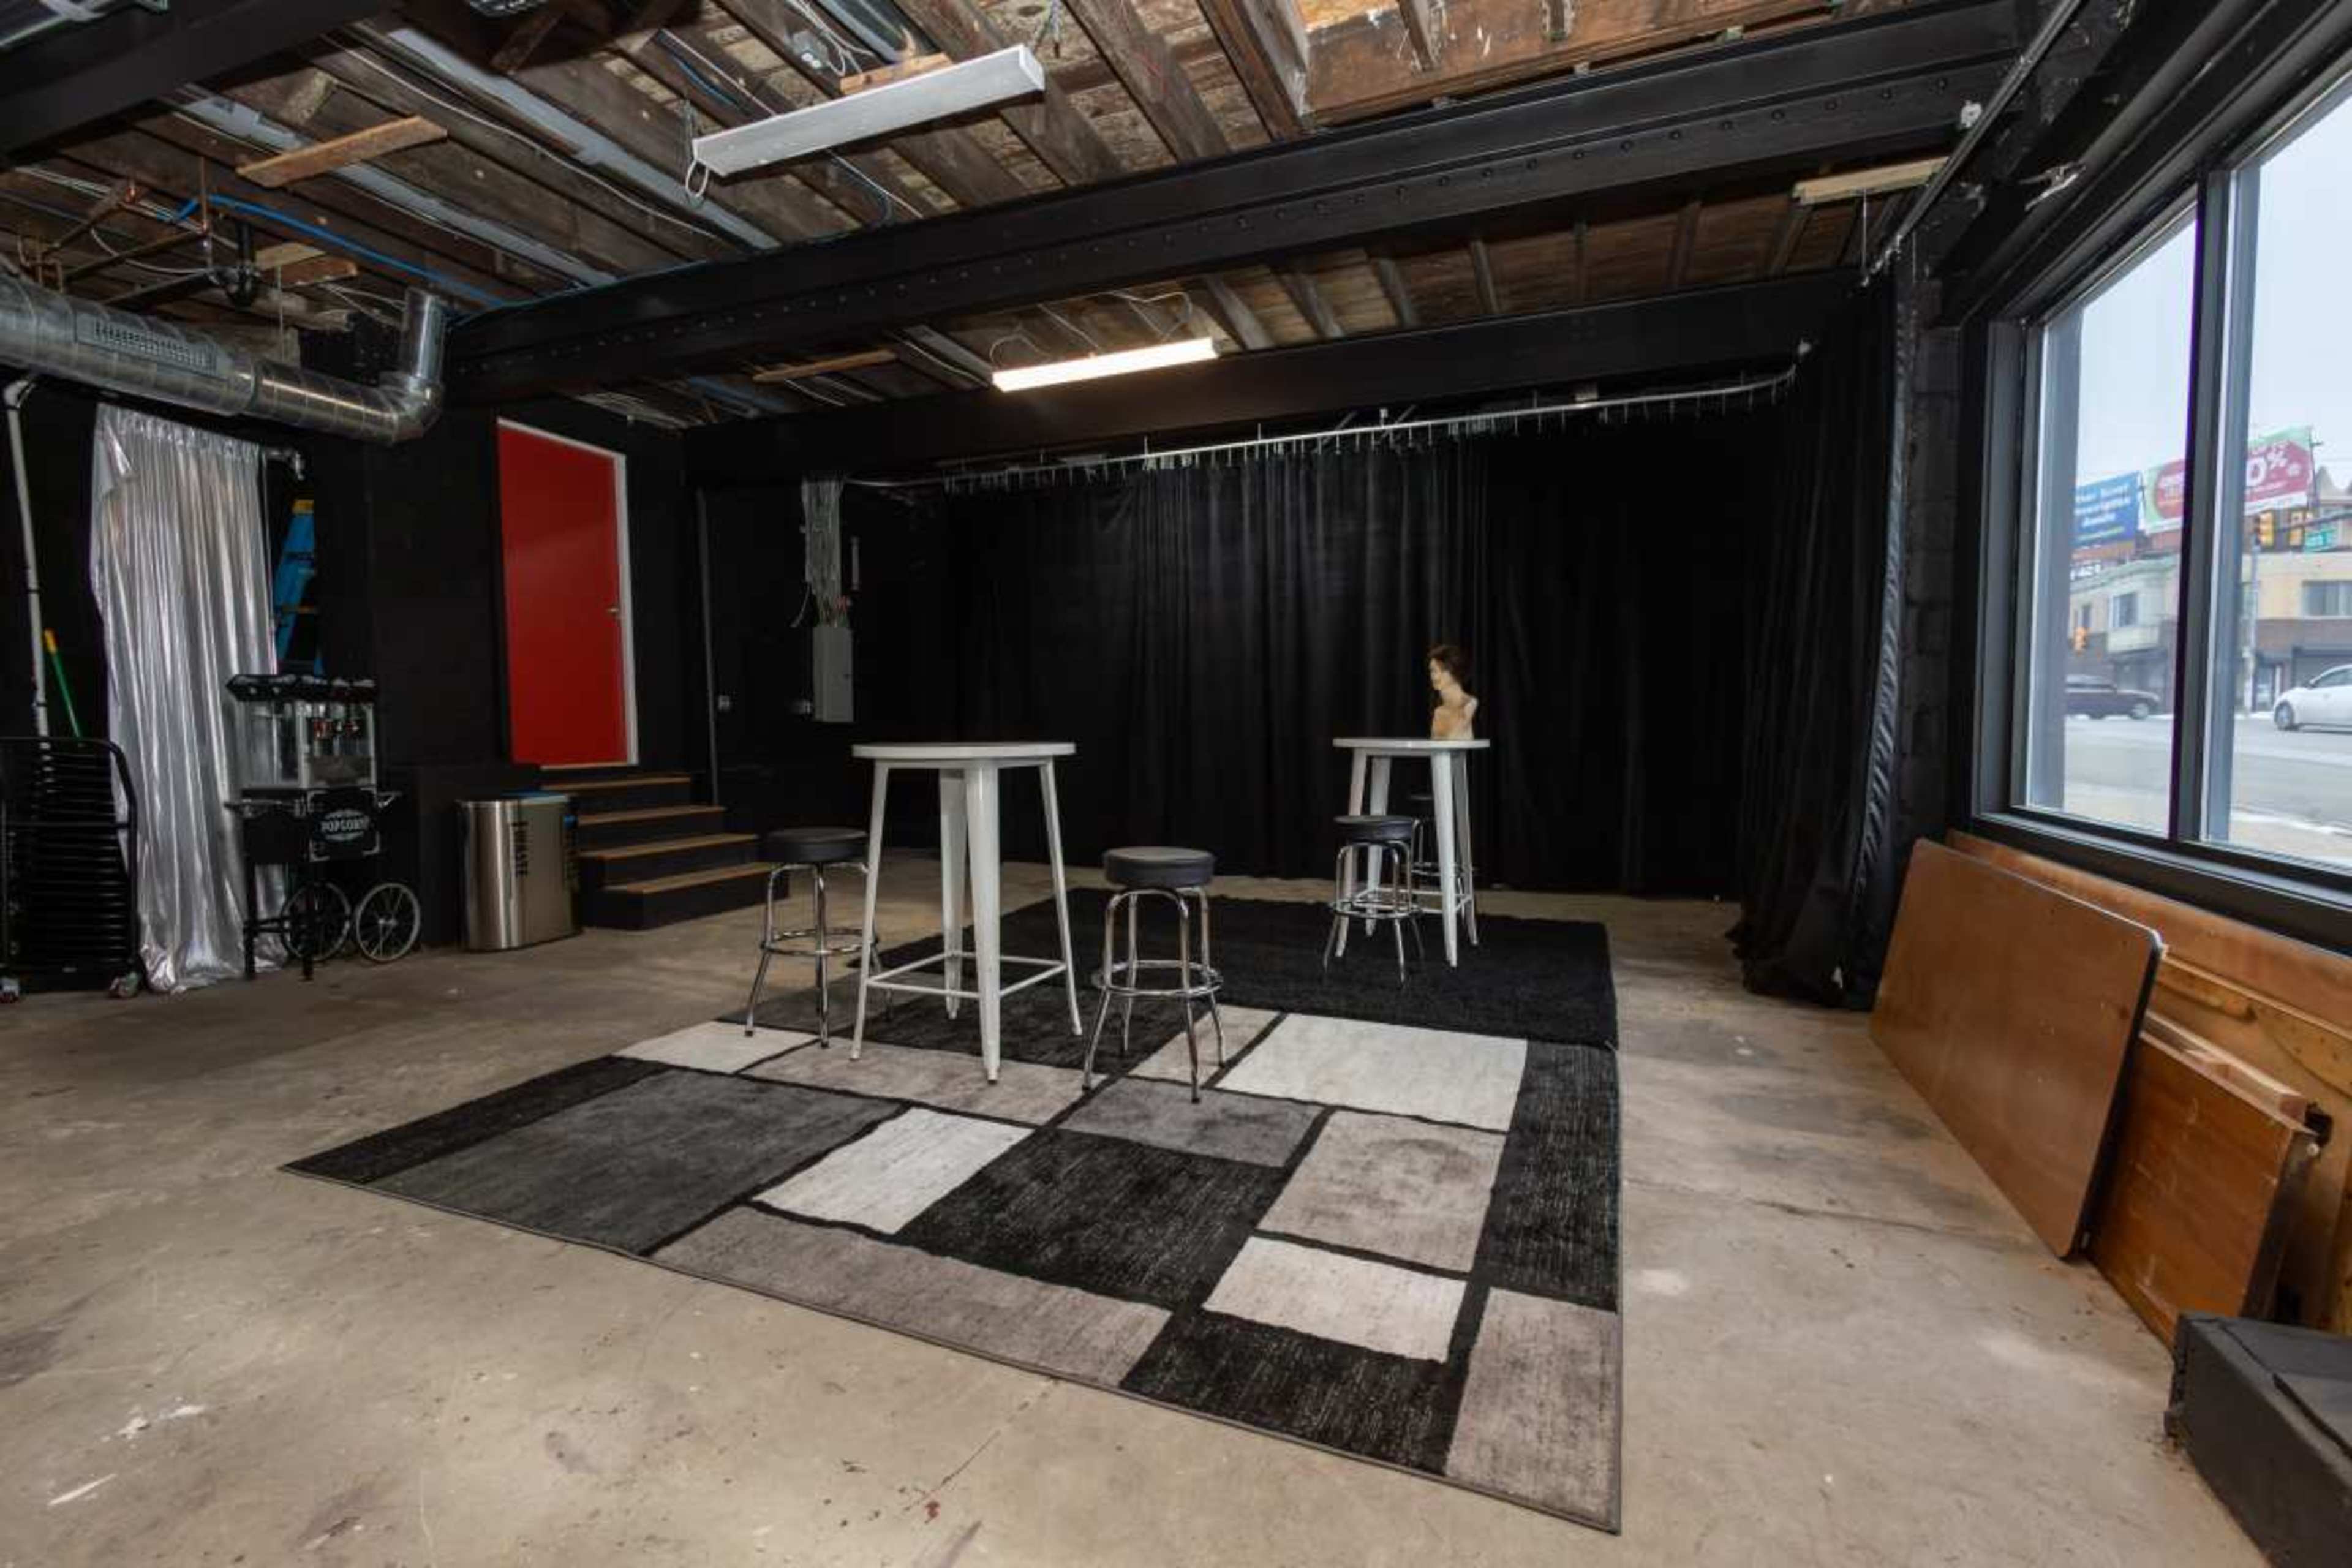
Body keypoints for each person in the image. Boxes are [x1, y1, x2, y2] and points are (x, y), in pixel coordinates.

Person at [1428, 644, 1477, 740]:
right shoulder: (1439, 712)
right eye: (1432, 671)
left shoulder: (1469, 705)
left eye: (1437, 671)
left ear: (1453, 671)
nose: (1434, 677)